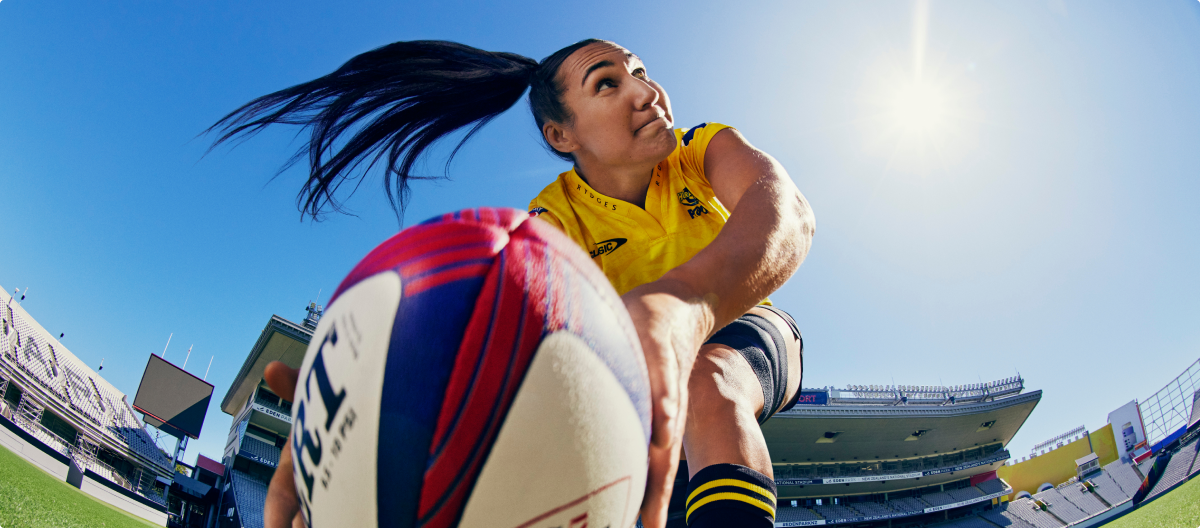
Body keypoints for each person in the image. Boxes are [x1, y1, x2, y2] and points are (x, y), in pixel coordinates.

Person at [213, 38, 815, 528]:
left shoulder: (699, 148)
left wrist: (685, 304)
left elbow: (787, 214)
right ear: (562, 135)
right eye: (608, 83)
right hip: (635, 376)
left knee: (707, 381)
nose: (645, 90)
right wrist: (362, 407)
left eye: (641, 71)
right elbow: (487, 323)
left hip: (740, 326)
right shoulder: (548, 221)